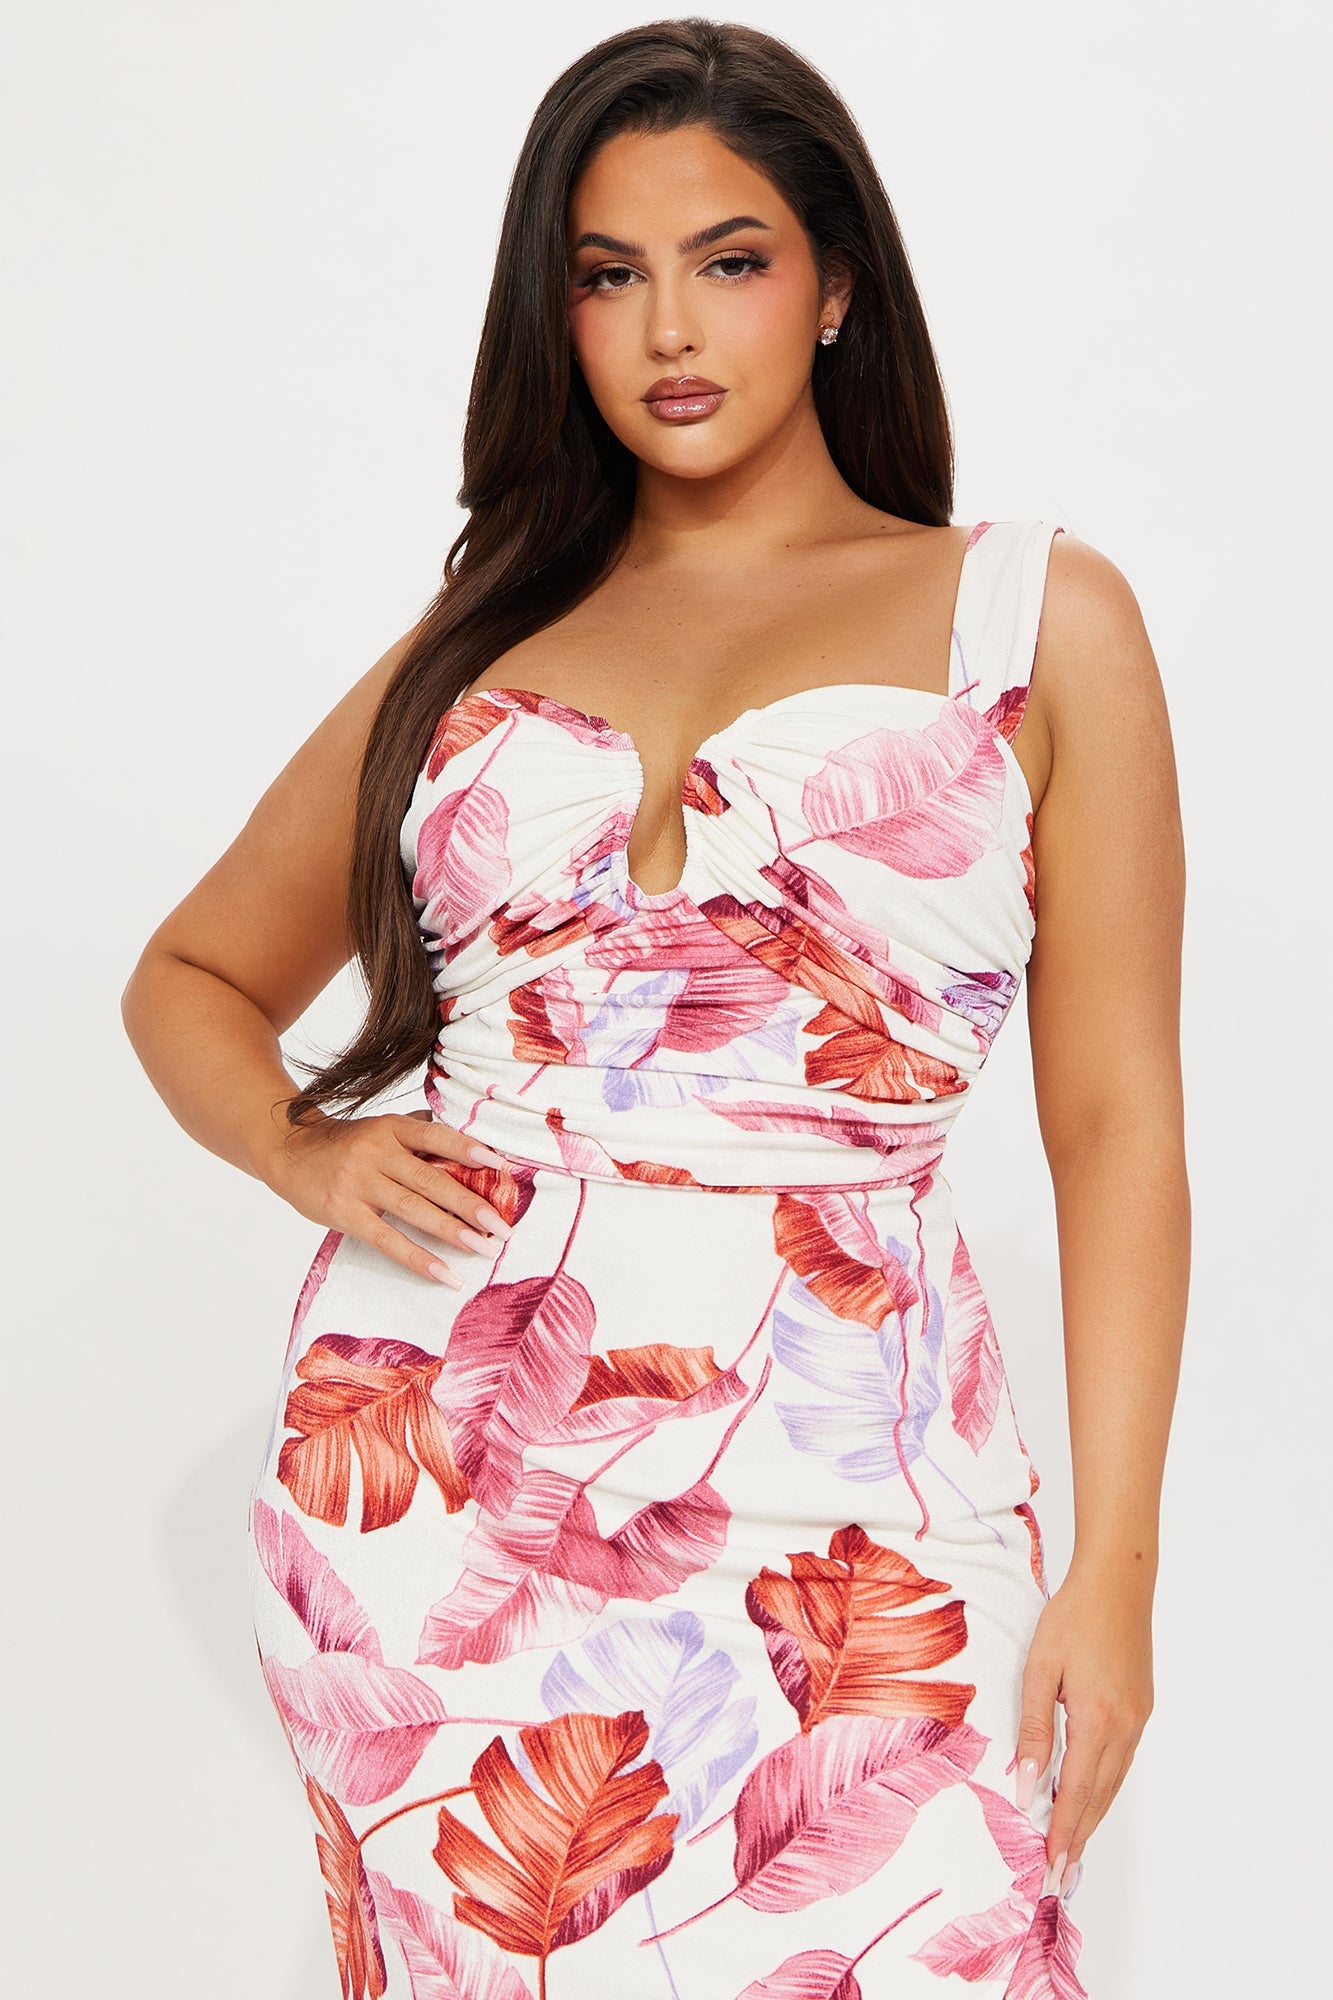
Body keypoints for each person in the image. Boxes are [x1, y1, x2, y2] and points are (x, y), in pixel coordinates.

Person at [121, 17, 1188, 1998]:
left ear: (837, 284)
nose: (668, 330)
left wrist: (1115, 1572)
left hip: (868, 1510)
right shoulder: (482, 643)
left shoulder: (1034, 619)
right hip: (445, 1497)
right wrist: (301, 1148)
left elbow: (1116, 1121)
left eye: (730, 259)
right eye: (607, 275)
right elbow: (185, 978)